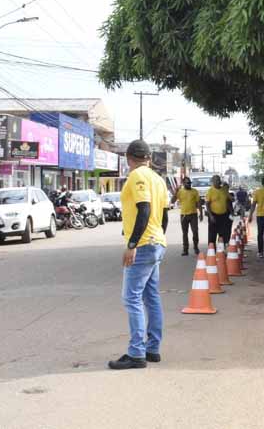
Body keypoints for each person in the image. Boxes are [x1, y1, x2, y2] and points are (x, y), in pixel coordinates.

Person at [108, 140, 169, 370]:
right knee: (151, 296)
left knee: (131, 298)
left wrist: (133, 244)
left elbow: (144, 209)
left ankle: (136, 353)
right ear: (149, 158)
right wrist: (157, 238)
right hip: (156, 242)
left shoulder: (136, 176)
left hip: (143, 244)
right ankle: (152, 349)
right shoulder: (159, 180)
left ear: (128, 158)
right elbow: (162, 216)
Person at [171, 176, 202, 256]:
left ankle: (196, 247)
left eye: (190, 183)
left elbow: (198, 203)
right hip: (184, 215)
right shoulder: (180, 191)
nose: (189, 184)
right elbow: (172, 201)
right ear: (184, 183)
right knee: (185, 233)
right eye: (188, 183)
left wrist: (201, 213)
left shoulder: (195, 191)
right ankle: (185, 250)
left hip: (193, 215)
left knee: (195, 231)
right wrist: (176, 192)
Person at [206, 175, 232, 245]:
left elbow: (229, 200)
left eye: (219, 180)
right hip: (213, 215)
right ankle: (212, 251)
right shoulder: (210, 191)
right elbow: (207, 204)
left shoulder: (224, 190)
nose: (218, 181)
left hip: (223, 215)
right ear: (213, 182)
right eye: (216, 180)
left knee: (223, 234)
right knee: (212, 234)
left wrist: (231, 212)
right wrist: (210, 216)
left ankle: (221, 251)